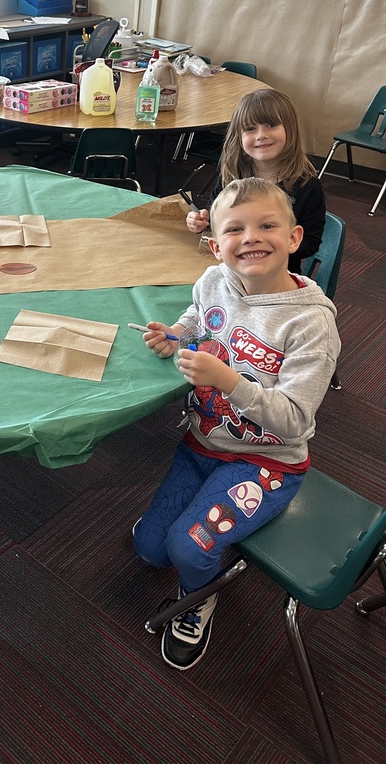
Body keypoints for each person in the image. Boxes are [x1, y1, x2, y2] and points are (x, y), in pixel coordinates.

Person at [134, 177, 340, 671]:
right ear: (215, 243)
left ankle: (197, 599)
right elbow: (200, 314)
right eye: (235, 229)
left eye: (267, 225)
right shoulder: (212, 280)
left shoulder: (310, 323)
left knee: (188, 548)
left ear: (294, 238)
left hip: (268, 462)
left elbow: (293, 420)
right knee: (150, 549)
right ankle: (187, 551)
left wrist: (229, 382)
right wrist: (178, 332)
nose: (250, 237)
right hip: (203, 441)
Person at [184, 89, 325, 272]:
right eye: (250, 129)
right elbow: (216, 215)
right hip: (231, 269)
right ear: (239, 135)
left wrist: (268, 246)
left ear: (290, 129)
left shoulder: (307, 185)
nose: (261, 135)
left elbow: (311, 242)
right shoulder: (232, 174)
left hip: (277, 276)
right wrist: (201, 220)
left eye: (271, 125)